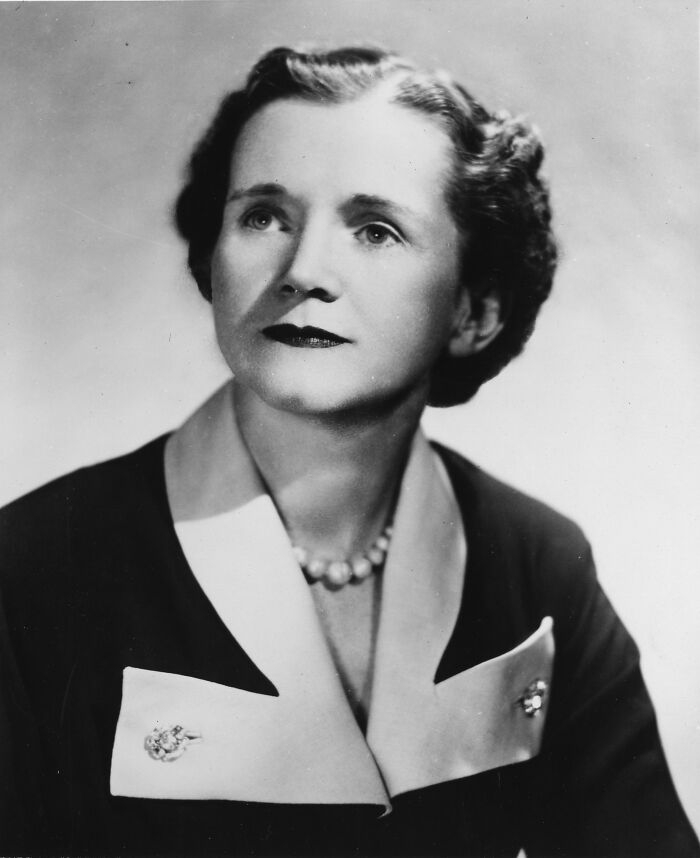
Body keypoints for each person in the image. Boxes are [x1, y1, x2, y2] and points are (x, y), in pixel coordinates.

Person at [0, 45, 697, 857]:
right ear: (212, 258)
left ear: (474, 312)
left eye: (375, 229)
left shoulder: (537, 562)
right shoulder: (37, 568)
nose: (303, 271)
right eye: (264, 215)